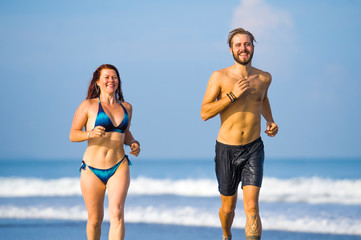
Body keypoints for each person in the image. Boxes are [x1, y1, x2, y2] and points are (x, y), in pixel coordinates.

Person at [200, 28, 278, 240]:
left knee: (252, 208)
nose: (243, 49)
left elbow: (262, 100)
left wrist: (270, 121)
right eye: (238, 45)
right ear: (231, 49)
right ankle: (226, 235)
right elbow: (204, 113)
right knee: (228, 208)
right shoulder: (220, 76)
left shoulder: (264, 77)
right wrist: (232, 95)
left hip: (254, 147)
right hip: (226, 148)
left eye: (247, 44)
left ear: (253, 46)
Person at [70, 64, 140, 240]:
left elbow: (125, 133)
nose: (111, 80)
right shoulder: (88, 105)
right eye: (107, 77)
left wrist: (133, 143)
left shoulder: (127, 108)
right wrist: (89, 134)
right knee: (95, 220)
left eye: (114, 77)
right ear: (98, 82)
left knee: (117, 214)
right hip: (92, 169)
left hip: (119, 166)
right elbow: (73, 134)